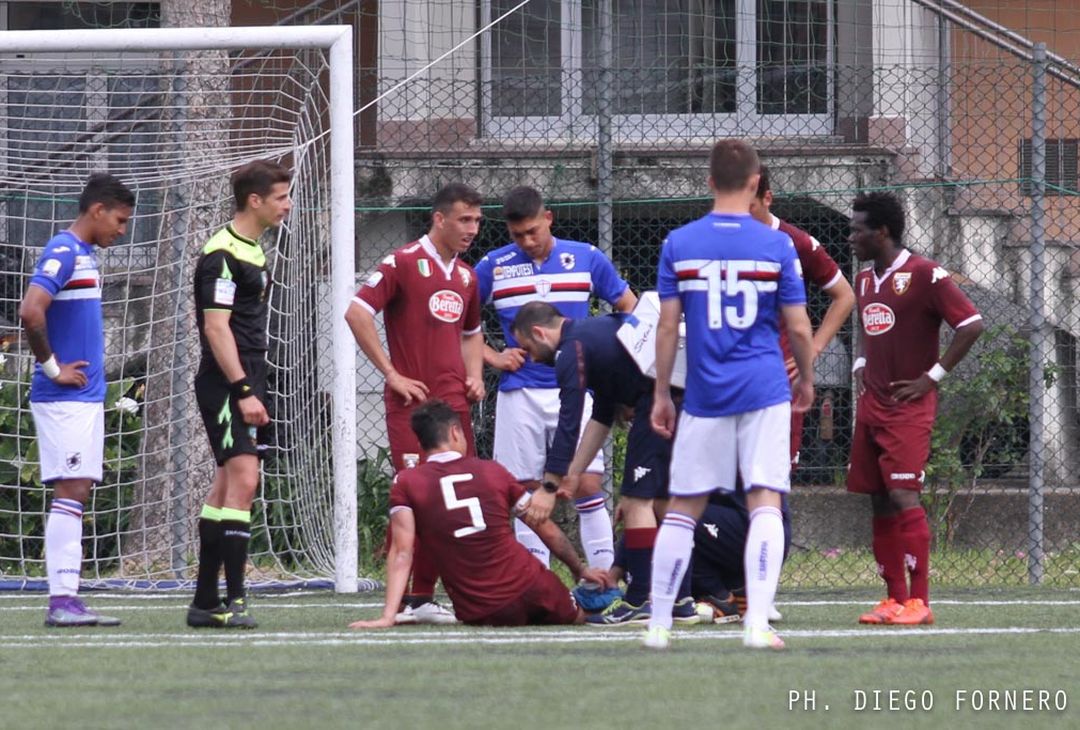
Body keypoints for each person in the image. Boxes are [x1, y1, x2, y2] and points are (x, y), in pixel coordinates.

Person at [644, 140, 816, 651]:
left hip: (704, 393)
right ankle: (756, 624)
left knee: (683, 507)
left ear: (710, 182)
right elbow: (799, 326)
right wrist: (806, 378)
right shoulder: (777, 245)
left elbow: (667, 327)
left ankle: (658, 625)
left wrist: (661, 392)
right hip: (764, 388)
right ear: (755, 183)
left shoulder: (679, 242)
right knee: (765, 500)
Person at [474, 185, 636, 572]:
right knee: (525, 491)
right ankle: (539, 580)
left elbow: (629, 307)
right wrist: (493, 356)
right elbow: (460, 323)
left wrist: (624, 368)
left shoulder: (586, 257)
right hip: (520, 392)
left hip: (579, 387)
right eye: (517, 235)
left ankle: (603, 581)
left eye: (533, 231)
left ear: (548, 218)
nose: (527, 241)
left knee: (587, 483)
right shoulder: (494, 265)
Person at [345, 182, 486, 625]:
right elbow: (356, 312)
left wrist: (475, 375)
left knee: (451, 497)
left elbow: (471, 334)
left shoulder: (467, 276)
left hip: (454, 408)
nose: (472, 229)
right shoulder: (403, 262)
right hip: (413, 406)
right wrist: (391, 373)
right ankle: (407, 597)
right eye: (464, 220)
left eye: (477, 221)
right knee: (416, 497)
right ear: (439, 219)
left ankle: (423, 598)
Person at [512, 302, 699, 626]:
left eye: (528, 348)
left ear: (540, 333)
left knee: (636, 502)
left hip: (659, 404)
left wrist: (549, 486)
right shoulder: (596, 336)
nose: (531, 358)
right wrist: (572, 474)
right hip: (686, 400)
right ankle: (679, 599)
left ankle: (641, 599)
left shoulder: (570, 351)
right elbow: (600, 417)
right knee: (665, 503)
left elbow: (569, 420)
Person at [348, 400, 612, 629]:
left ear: (421, 443)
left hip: (483, 608)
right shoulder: (493, 471)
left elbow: (402, 552)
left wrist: (388, 616)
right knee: (582, 616)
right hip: (534, 587)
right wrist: (579, 569)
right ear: (455, 432)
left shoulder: (407, 482)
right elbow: (544, 527)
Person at [848, 191, 983, 626]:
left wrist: (932, 377)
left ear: (882, 232)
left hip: (908, 407)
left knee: (904, 494)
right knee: (879, 499)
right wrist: (862, 363)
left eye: (857, 229)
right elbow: (871, 327)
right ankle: (893, 598)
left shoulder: (925, 273)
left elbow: (970, 324)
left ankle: (919, 602)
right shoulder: (864, 279)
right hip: (872, 404)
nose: (851, 237)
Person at [20, 173, 134, 627]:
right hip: (63, 397)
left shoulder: (85, 254)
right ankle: (61, 601)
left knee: (78, 489)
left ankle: (69, 597)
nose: (122, 231)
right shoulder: (63, 250)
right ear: (97, 210)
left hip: (83, 398)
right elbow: (31, 311)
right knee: (70, 490)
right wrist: (53, 369)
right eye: (120, 220)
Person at [187, 160, 292, 629]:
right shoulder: (221, 254)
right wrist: (244, 390)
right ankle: (234, 600)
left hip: (249, 376)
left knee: (227, 485)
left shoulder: (253, 249)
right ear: (255, 200)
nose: (287, 205)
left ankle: (205, 603)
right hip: (228, 383)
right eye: (281, 197)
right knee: (245, 481)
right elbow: (216, 327)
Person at [749, 165, 855, 465]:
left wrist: (813, 348)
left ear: (767, 198)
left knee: (774, 473)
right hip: (728, 376)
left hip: (778, 379)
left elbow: (845, 296)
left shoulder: (795, 242)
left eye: (749, 206)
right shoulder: (715, 239)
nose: (740, 215)